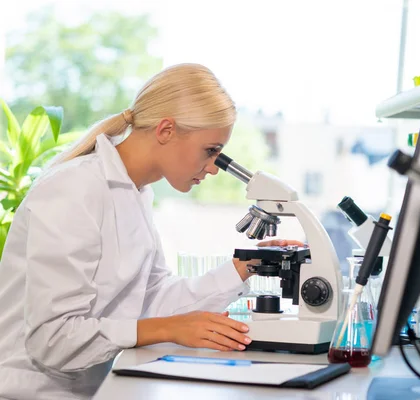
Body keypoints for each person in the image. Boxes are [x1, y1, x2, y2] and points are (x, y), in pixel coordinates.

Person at [0, 63, 303, 399]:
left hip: (93, 387)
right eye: (211, 151)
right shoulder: (74, 189)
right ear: (166, 131)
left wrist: (242, 268)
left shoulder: (137, 192)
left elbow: (153, 300)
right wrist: (170, 328)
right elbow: (53, 339)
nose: (214, 167)